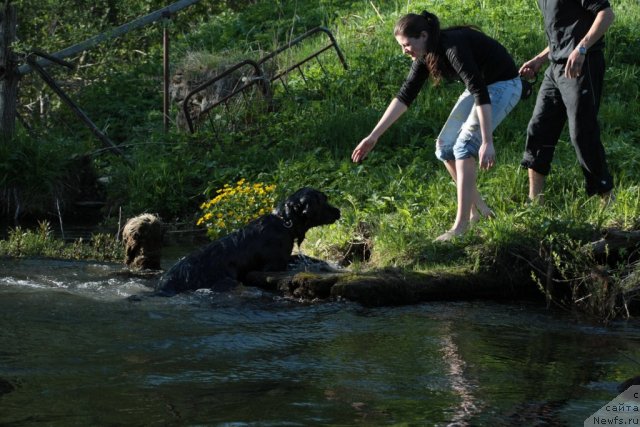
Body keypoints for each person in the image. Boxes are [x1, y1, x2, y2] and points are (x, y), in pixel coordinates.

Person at [351, 11, 521, 241]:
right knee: (444, 147)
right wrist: (373, 136)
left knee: (463, 147)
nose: (404, 51)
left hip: (502, 85)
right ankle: (481, 211)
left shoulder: (453, 48)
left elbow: (480, 91)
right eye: (402, 46)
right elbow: (405, 95)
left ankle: (460, 226)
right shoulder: (425, 52)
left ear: (423, 35)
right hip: (480, 89)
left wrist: (487, 141)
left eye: (407, 45)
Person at [519, 0, 615, 204]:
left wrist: (581, 49)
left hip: (581, 64)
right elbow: (563, 34)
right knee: (538, 128)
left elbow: (606, 15)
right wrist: (539, 59)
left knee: (582, 133)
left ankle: (606, 197)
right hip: (555, 68)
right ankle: (535, 201)